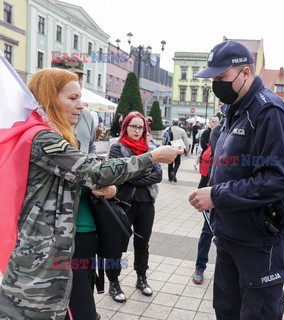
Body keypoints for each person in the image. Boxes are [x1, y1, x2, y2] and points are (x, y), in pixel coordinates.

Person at [0, 68, 181, 319]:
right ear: (50, 98)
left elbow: (83, 172)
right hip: (41, 262)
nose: (80, 105)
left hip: (54, 253)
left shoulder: (49, 134)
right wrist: (152, 157)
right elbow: (94, 172)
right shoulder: (43, 138)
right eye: (72, 99)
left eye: (80, 98)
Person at [188, 40, 284, 319]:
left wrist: (217, 195)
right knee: (226, 309)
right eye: (214, 78)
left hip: (258, 243)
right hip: (229, 235)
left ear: (245, 73)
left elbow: (278, 179)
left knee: (257, 313)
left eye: (222, 77)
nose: (216, 85)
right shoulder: (233, 111)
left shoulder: (269, 111)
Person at [51, 57, 114, 320]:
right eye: (70, 78)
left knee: (82, 286)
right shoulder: (43, 127)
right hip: (56, 226)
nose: (77, 84)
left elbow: (89, 156)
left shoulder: (86, 116)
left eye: (80, 78)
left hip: (85, 219)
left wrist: (103, 185)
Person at [107, 111, 163, 302]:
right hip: (124, 204)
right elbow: (118, 175)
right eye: (133, 126)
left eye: (141, 127)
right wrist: (136, 175)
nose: (137, 130)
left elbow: (158, 176)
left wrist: (133, 176)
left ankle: (141, 278)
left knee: (142, 243)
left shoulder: (150, 148)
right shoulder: (117, 148)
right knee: (117, 245)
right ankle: (113, 282)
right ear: (126, 127)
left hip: (147, 204)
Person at [192, 115, 220, 285]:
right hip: (215, 190)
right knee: (207, 232)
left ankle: (227, 272)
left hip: (233, 193)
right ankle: (200, 266)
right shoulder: (218, 131)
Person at [168, 118, 190, 182]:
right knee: (177, 162)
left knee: (170, 162)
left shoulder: (168, 129)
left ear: (172, 122)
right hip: (178, 147)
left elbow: (163, 136)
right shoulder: (182, 130)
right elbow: (186, 140)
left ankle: (170, 178)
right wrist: (187, 149)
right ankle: (174, 172)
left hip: (170, 147)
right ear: (178, 123)